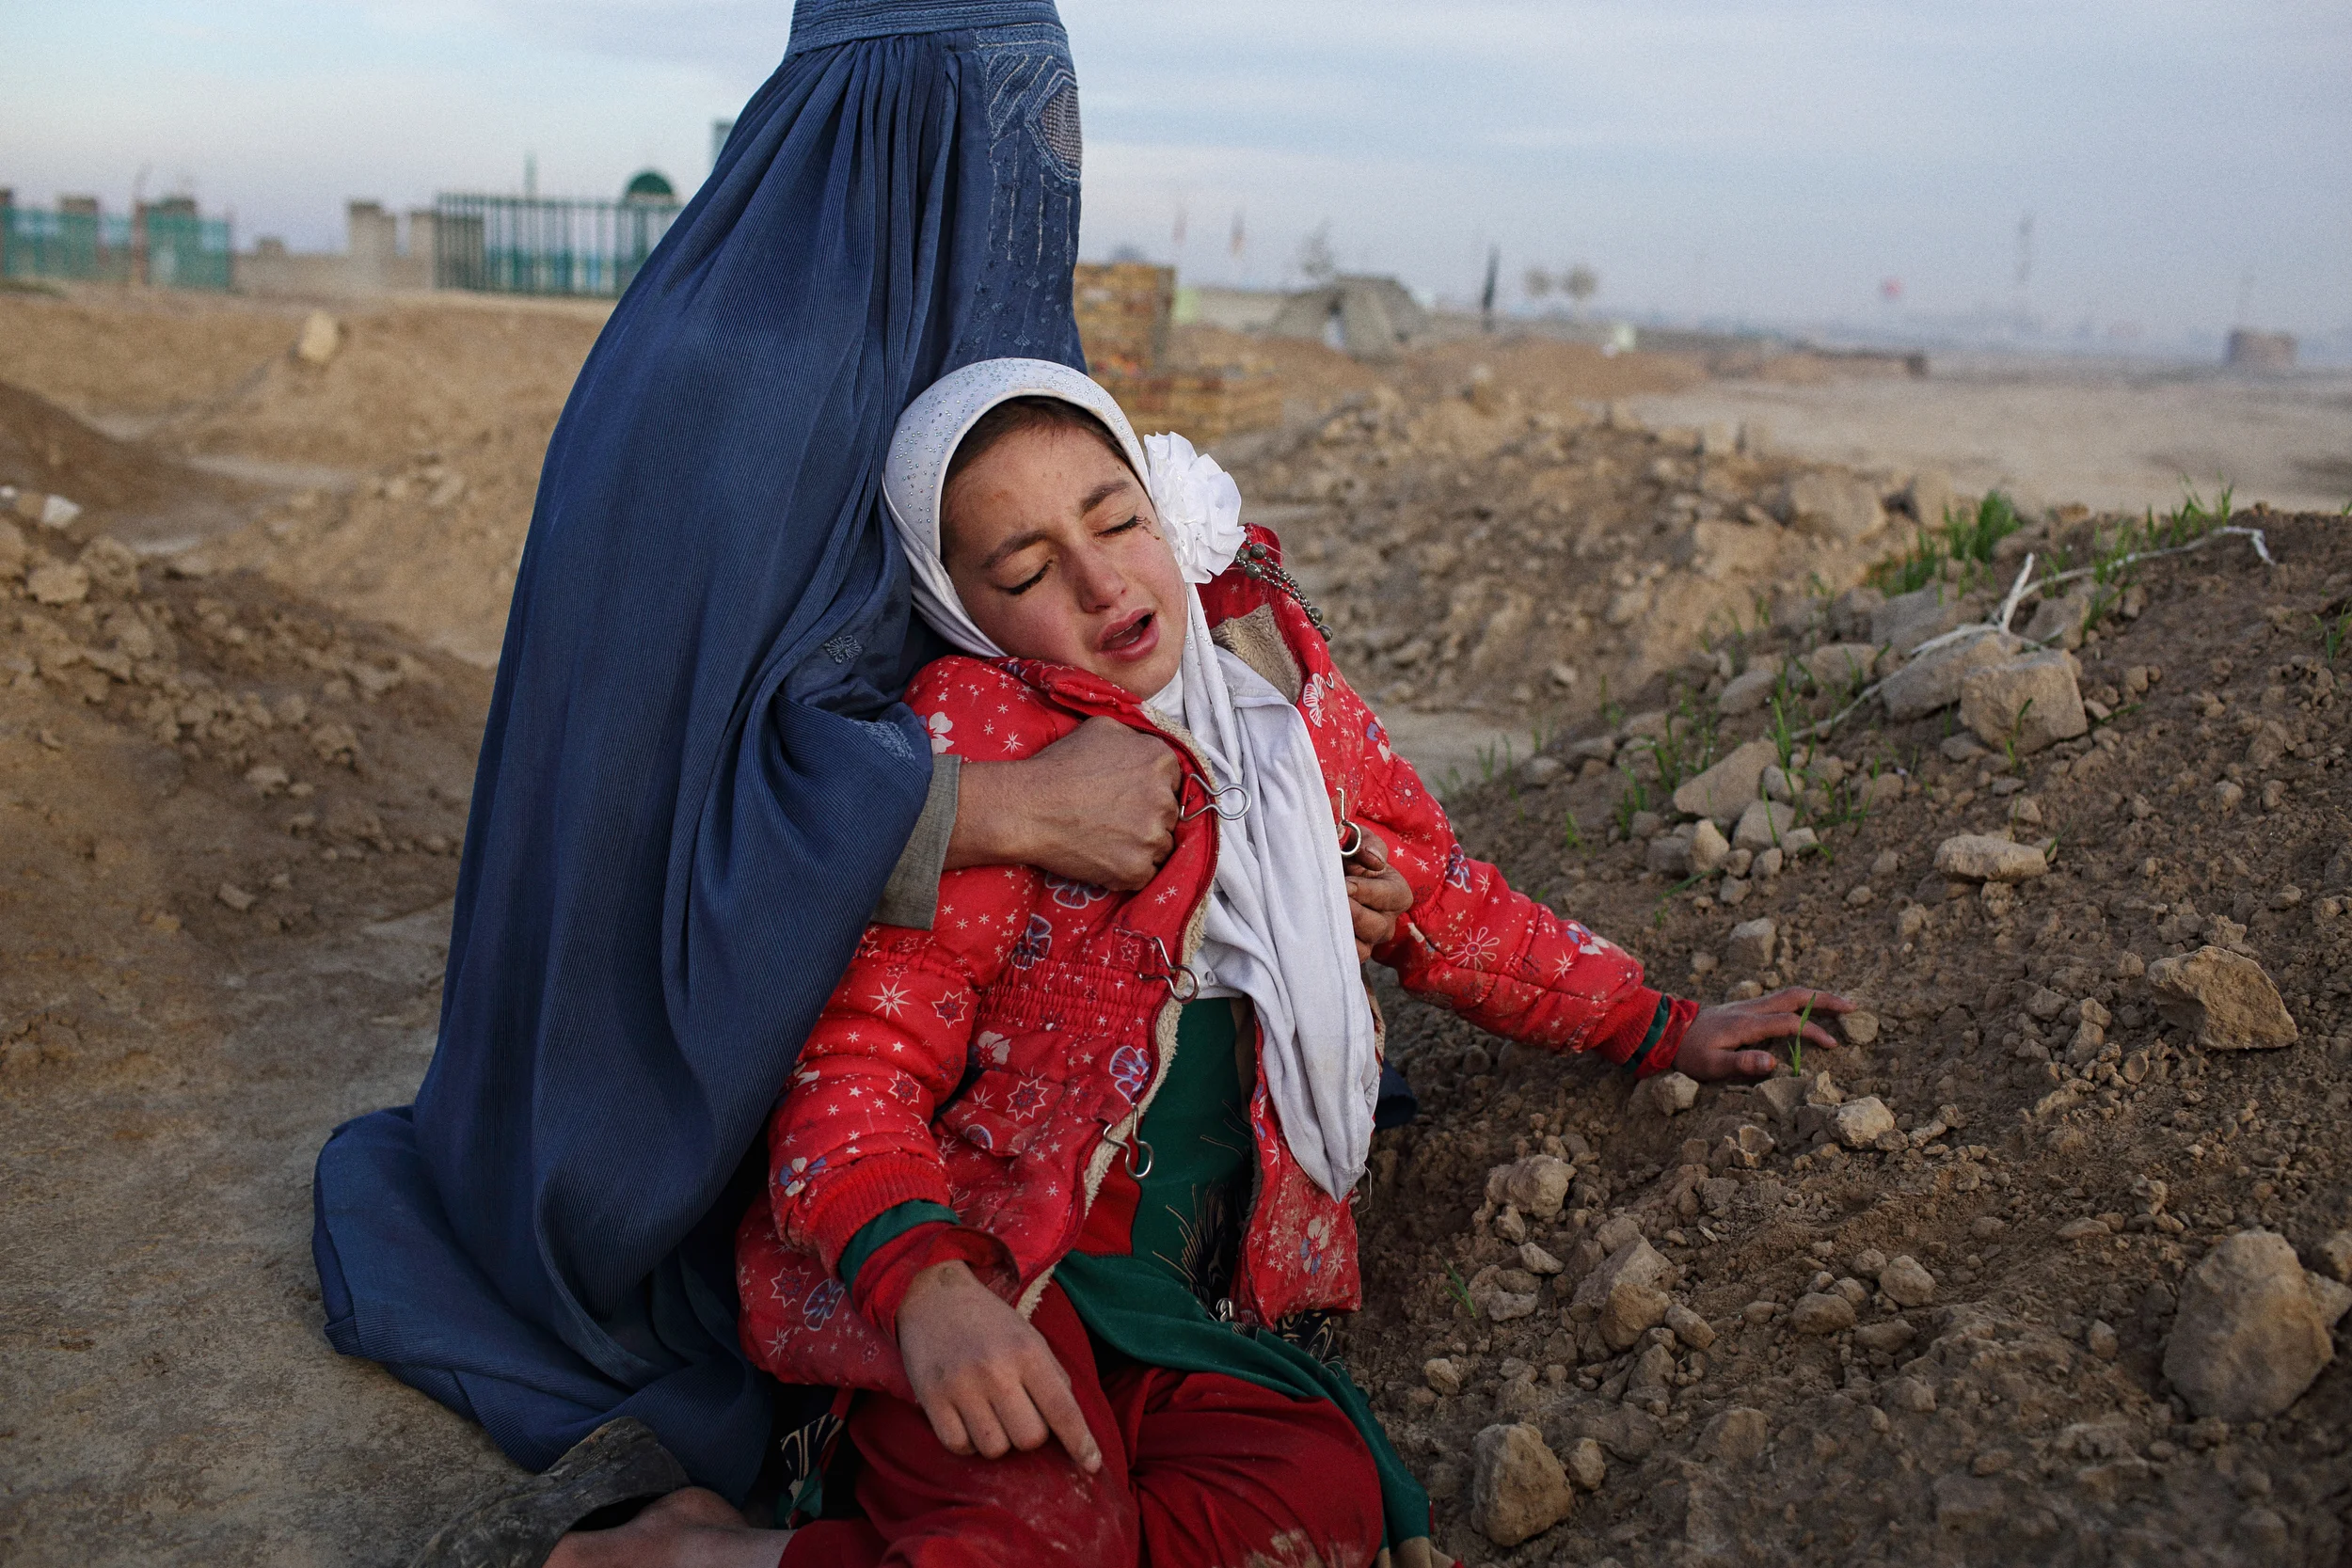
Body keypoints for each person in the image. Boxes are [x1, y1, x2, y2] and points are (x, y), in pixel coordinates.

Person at [552, 359, 1847, 1568]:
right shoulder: (988, 756)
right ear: (958, 607)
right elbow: (849, 1078)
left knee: (1320, 1501)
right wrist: (928, 1290)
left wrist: (1659, 1024)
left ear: (1164, 505)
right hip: (1002, 1273)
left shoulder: (1275, 701)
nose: (1103, 580)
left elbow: (1446, 896)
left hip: (1200, 1306)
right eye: (1026, 566)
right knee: (1041, 1524)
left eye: (1115, 519)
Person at [309, 0, 1188, 1532]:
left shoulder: (956, 355)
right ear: (897, 133)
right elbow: (653, 803)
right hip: (642, 1076)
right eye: (1013, 130)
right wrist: (1004, 807)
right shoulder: (739, 378)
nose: (1041, 173)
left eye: (1065, 130)